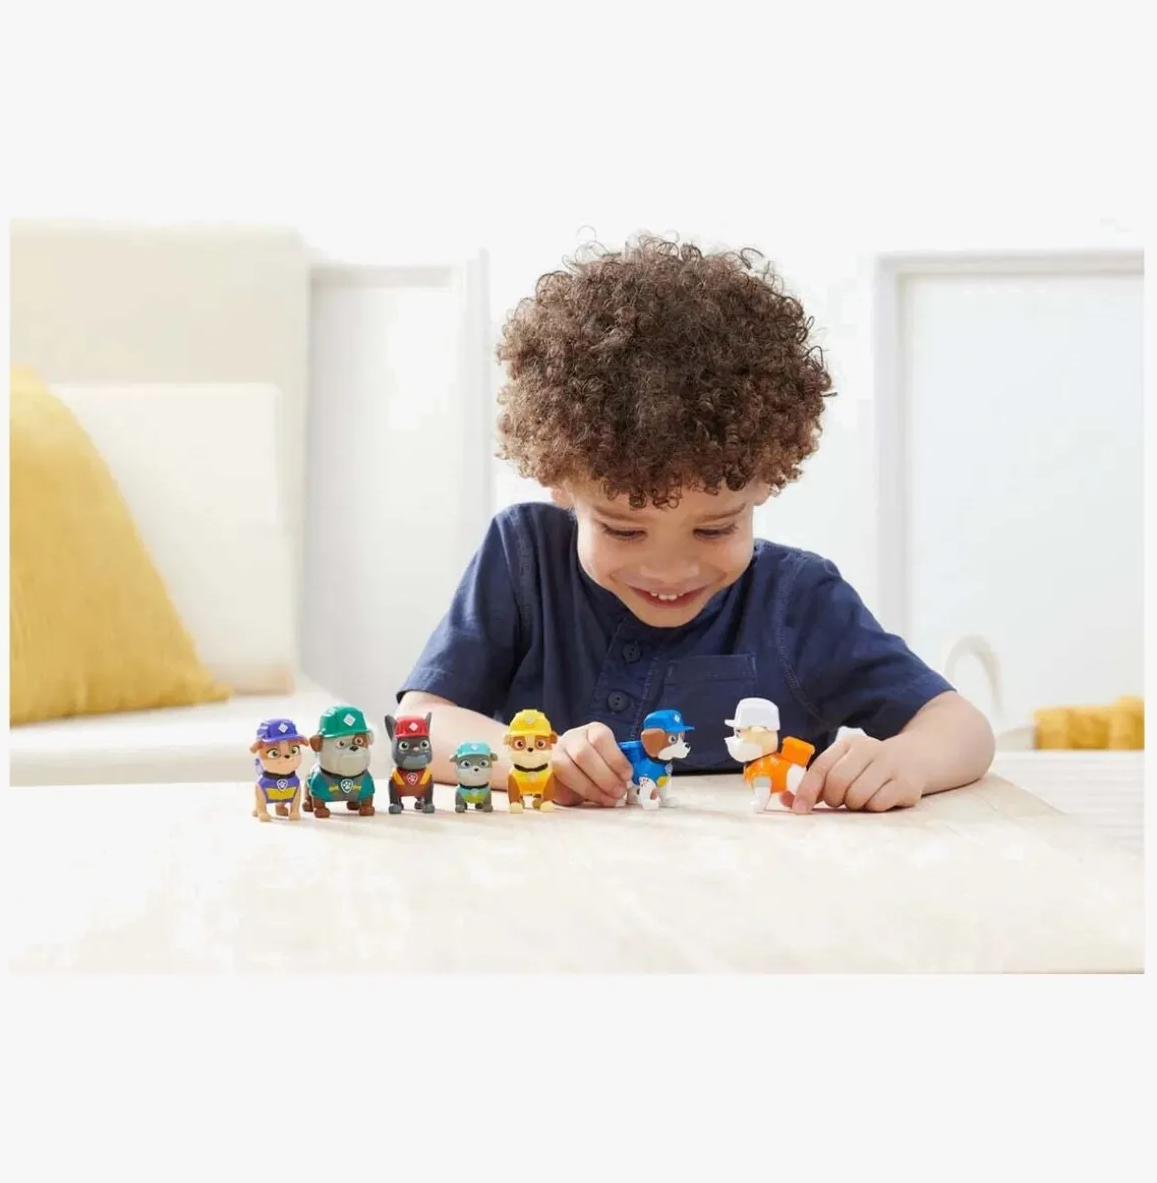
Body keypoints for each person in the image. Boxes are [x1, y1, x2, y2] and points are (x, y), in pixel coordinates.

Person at [397, 234, 994, 813]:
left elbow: (961, 726)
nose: (669, 570)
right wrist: (533, 759)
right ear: (561, 486)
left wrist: (907, 761)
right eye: (624, 530)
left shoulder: (799, 601)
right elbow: (420, 721)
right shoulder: (524, 558)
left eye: (714, 530)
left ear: (766, 481)